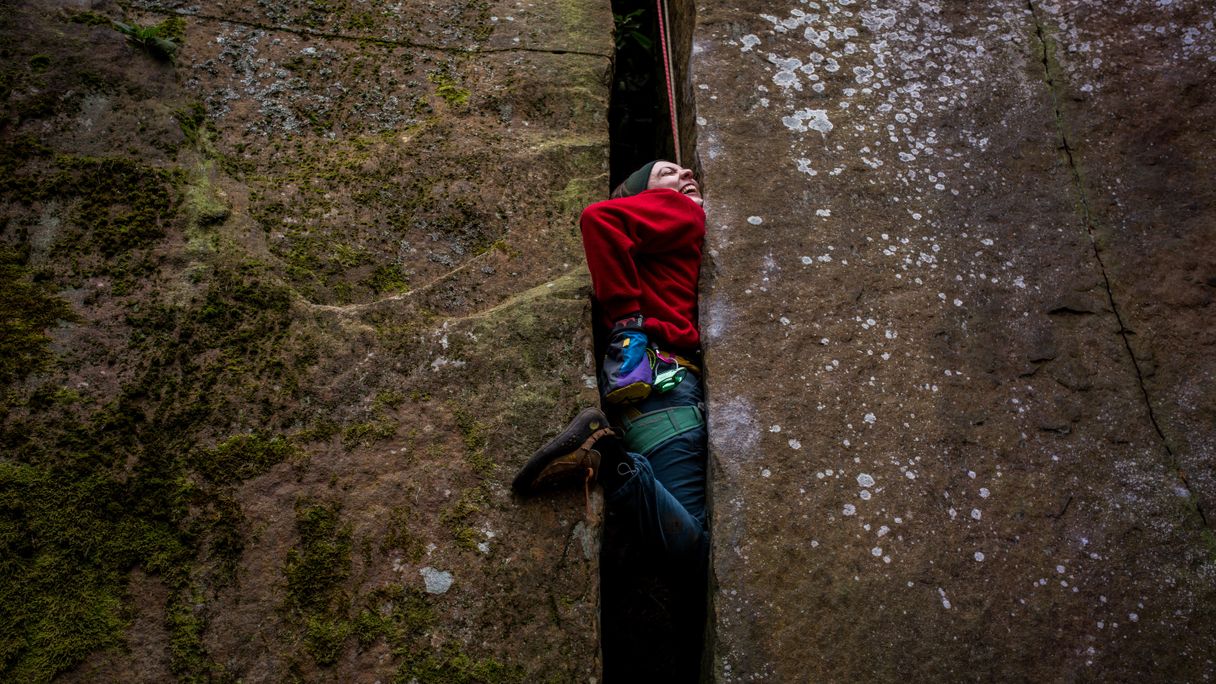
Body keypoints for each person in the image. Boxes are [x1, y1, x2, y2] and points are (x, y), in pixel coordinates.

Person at [513, 160, 707, 560]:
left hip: (647, 399)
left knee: (685, 545)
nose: (686, 176)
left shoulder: (654, 248)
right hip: (668, 393)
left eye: (688, 172)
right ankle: (609, 456)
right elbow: (598, 217)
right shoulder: (683, 211)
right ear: (644, 196)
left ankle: (613, 456)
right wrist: (628, 321)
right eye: (667, 173)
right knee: (693, 550)